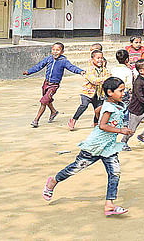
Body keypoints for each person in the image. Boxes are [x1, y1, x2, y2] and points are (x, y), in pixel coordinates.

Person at [42, 77, 131, 216]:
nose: (123, 93)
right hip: (94, 146)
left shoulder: (114, 104)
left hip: (108, 148)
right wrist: (121, 130)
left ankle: (109, 205)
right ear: (109, 92)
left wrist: (97, 118)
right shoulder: (108, 107)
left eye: (123, 90)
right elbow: (103, 125)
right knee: (76, 167)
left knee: (115, 172)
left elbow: (97, 111)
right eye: (121, 91)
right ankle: (53, 181)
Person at [23, 42, 84, 128]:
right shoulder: (48, 59)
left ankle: (36, 120)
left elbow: (72, 67)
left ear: (62, 52)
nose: (55, 52)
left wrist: (80, 71)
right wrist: (29, 72)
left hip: (54, 85)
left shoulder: (64, 61)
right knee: (47, 99)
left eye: (58, 50)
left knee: (44, 101)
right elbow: (39, 66)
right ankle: (53, 111)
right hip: (46, 83)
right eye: (53, 50)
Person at [68, 50, 110, 131]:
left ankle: (96, 123)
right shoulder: (89, 69)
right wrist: (105, 79)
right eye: (98, 58)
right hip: (87, 93)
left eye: (101, 58)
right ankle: (74, 120)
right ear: (92, 59)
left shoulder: (104, 70)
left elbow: (108, 77)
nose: (100, 60)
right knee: (84, 105)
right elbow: (94, 80)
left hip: (98, 93)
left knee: (98, 109)